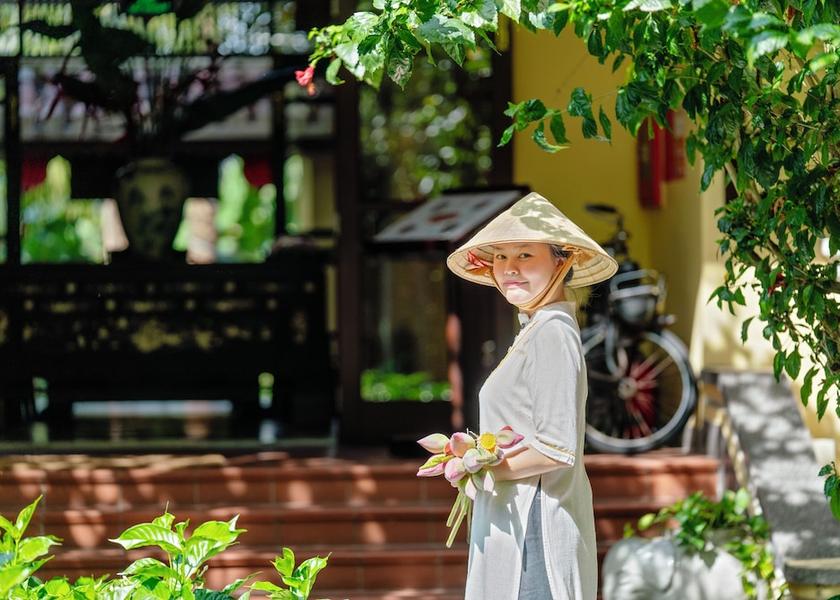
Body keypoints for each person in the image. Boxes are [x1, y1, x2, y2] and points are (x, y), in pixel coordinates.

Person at [446, 192, 618, 600]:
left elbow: (556, 449)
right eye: (502, 257)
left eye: (525, 255)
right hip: (515, 520)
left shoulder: (553, 333)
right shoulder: (537, 330)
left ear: (563, 261)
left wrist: (476, 467)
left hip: (534, 526)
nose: (510, 269)